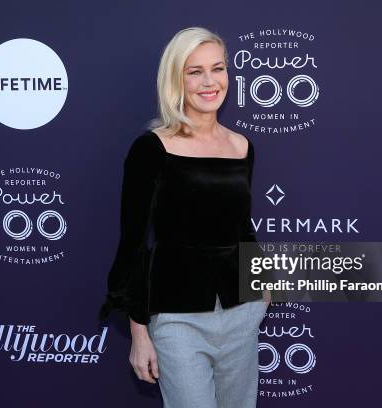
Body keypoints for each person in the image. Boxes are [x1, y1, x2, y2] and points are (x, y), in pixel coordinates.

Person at [98, 26, 270, 408]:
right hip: (177, 319)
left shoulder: (241, 145)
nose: (210, 82)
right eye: (195, 71)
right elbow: (134, 241)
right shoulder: (152, 148)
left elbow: (242, 226)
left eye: (218, 68)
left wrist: (263, 287)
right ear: (176, 78)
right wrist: (139, 332)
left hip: (242, 311)